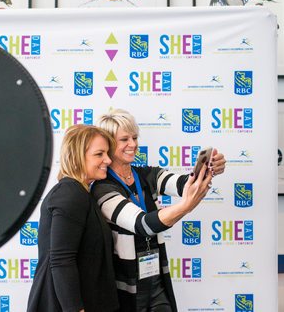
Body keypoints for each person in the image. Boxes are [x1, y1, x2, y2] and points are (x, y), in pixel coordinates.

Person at [92, 108, 226, 312]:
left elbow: (183, 184)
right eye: (124, 139)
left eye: (135, 137)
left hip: (155, 279)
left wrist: (208, 170)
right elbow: (143, 224)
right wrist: (186, 206)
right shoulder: (103, 188)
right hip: (125, 287)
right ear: (109, 144)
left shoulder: (147, 174)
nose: (133, 144)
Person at [27, 124, 119, 312]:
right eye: (99, 154)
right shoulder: (70, 193)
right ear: (77, 156)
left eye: (107, 153)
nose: (108, 160)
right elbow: (61, 260)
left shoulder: (81, 193)